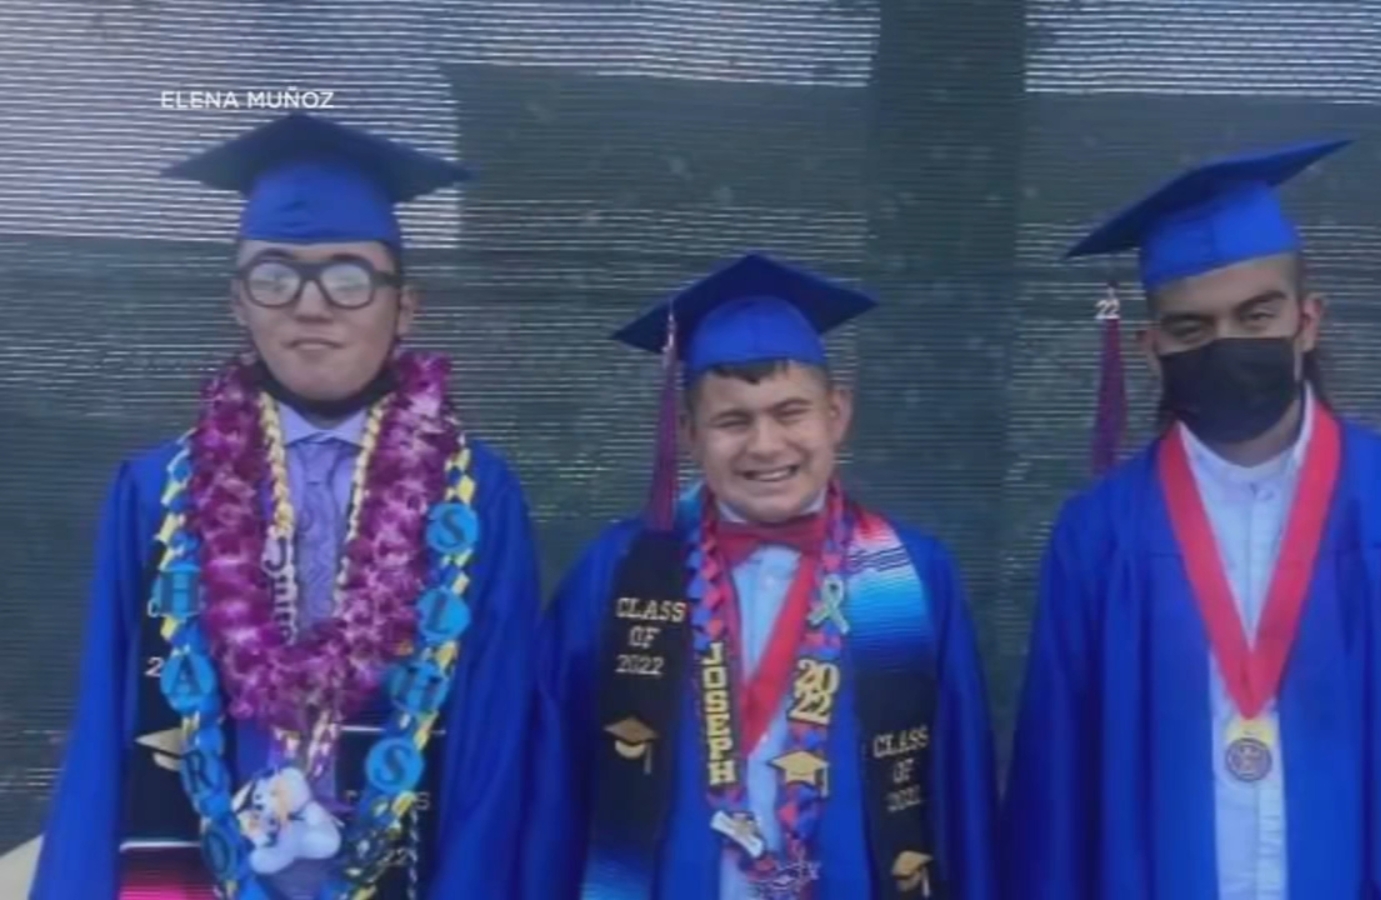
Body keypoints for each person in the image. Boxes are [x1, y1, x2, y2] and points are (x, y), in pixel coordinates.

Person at [1003, 138, 1381, 899]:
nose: (1227, 345)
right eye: (1192, 328)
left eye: (1257, 316)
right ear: (1151, 348)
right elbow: (1058, 795)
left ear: (1307, 320)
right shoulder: (1100, 537)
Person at [32, 112, 542, 899]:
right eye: (275, 276)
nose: (311, 305)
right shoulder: (158, 492)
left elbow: (495, 746)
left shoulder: (473, 498)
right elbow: (107, 725)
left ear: (405, 306)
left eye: (349, 277)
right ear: (239, 301)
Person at [523, 252, 999, 899]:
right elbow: (555, 784)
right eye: (732, 421)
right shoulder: (618, 572)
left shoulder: (913, 576)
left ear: (837, 413)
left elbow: (958, 788)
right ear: (688, 432)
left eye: (790, 412)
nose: (766, 445)